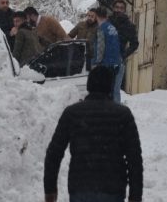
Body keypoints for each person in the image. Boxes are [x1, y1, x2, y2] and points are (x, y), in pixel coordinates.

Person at [44, 66, 143, 202]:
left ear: (89, 85)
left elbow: (53, 154)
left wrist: (50, 191)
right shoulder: (123, 115)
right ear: (110, 86)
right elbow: (134, 160)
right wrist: (135, 196)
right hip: (112, 190)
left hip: (80, 189)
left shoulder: (72, 113)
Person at [92, 7, 124, 103]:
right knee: (115, 91)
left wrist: (96, 63)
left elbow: (100, 48)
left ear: (96, 17)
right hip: (117, 63)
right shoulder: (112, 28)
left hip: (106, 64)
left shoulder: (101, 29)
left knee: (106, 91)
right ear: (106, 16)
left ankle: (109, 113)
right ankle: (117, 111)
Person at [109, 0, 139, 93]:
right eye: (117, 7)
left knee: (115, 89)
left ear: (124, 10)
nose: (119, 10)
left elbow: (135, 44)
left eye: (121, 8)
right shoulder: (107, 22)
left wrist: (123, 55)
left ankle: (115, 107)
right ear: (113, 8)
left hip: (118, 60)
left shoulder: (129, 26)